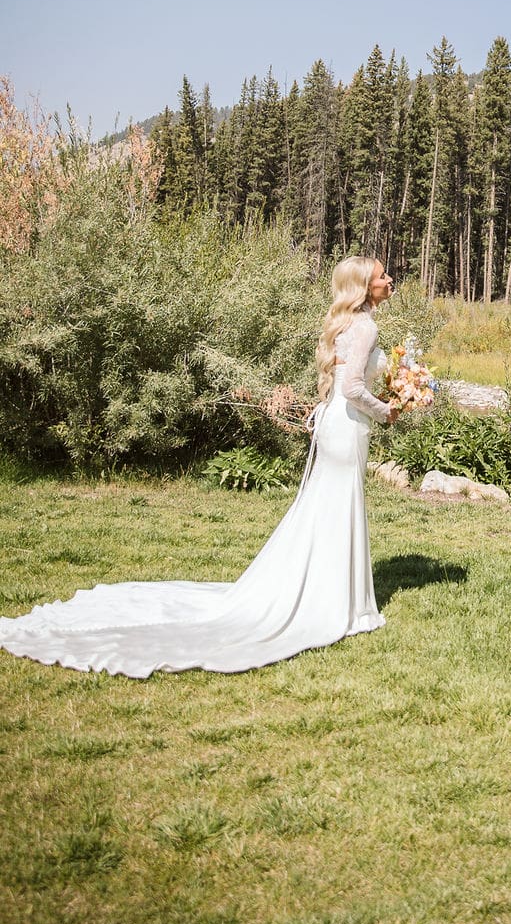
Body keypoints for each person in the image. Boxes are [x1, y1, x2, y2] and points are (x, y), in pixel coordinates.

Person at [0, 256, 396, 677]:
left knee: (327, 510)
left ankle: (330, 593)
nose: (389, 280)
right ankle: (338, 604)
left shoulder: (349, 321)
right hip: (348, 423)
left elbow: (343, 382)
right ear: (363, 287)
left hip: (335, 422)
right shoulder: (365, 326)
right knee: (336, 508)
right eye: (382, 276)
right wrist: (387, 411)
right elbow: (353, 387)